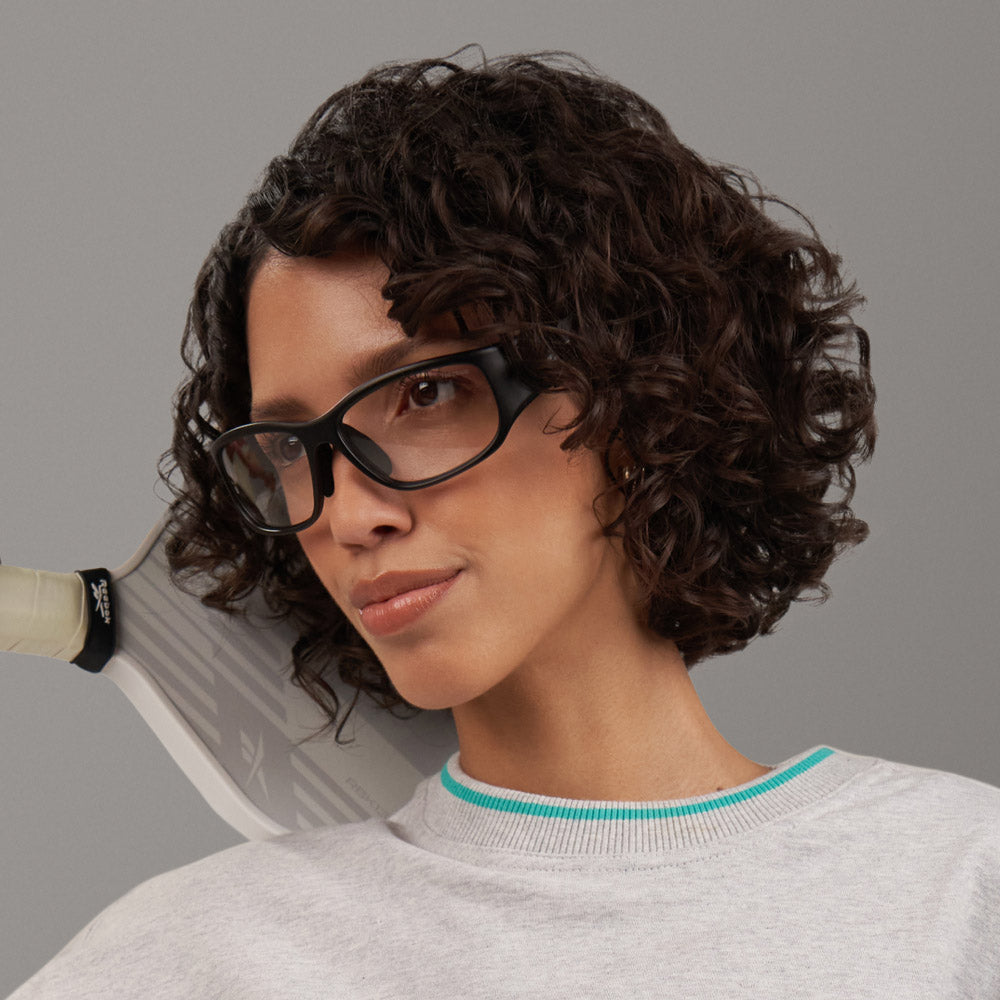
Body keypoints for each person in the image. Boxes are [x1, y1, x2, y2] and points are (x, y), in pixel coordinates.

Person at [9, 50, 998, 999]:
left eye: (426, 392)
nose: (350, 513)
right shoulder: (196, 957)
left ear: (631, 387)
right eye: (288, 447)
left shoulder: (959, 887)